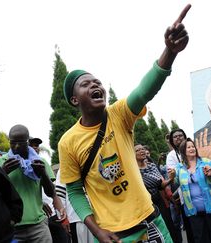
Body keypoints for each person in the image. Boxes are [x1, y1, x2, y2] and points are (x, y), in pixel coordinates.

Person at [58, 4, 190, 242]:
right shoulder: (68, 142)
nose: (95, 85)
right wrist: (96, 230)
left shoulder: (118, 114)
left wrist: (170, 52)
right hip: (114, 235)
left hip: (151, 222)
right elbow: (75, 191)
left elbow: (144, 91)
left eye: (97, 82)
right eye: (86, 84)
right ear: (74, 99)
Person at [0, 124, 64, 243]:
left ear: (27, 142)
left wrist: (43, 174)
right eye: (12, 142)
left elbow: (50, 193)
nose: (16, 146)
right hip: (11, 228)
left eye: (20, 142)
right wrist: (3, 172)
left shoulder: (39, 162)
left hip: (38, 226)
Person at [168, 138, 211, 243]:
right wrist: (172, 177)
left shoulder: (206, 162)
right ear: (183, 151)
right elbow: (176, 183)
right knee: (201, 239)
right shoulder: (179, 168)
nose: (192, 148)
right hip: (193, 211)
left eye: (193, 146)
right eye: (189, 147)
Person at [135, 144, 178, 242]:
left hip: (159, 202)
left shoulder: (152, 166)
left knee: (168, 226)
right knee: (154, 232)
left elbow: (161, 185)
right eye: (138, 150)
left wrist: (171, 178)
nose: (141, 151)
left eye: (142, 149)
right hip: (145, 205)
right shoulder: (133, 171)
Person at [55, 170, 93, 243]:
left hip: (99, 216)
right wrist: (63, 219)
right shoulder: (65, 168)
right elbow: (60, 195)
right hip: (76, 219)